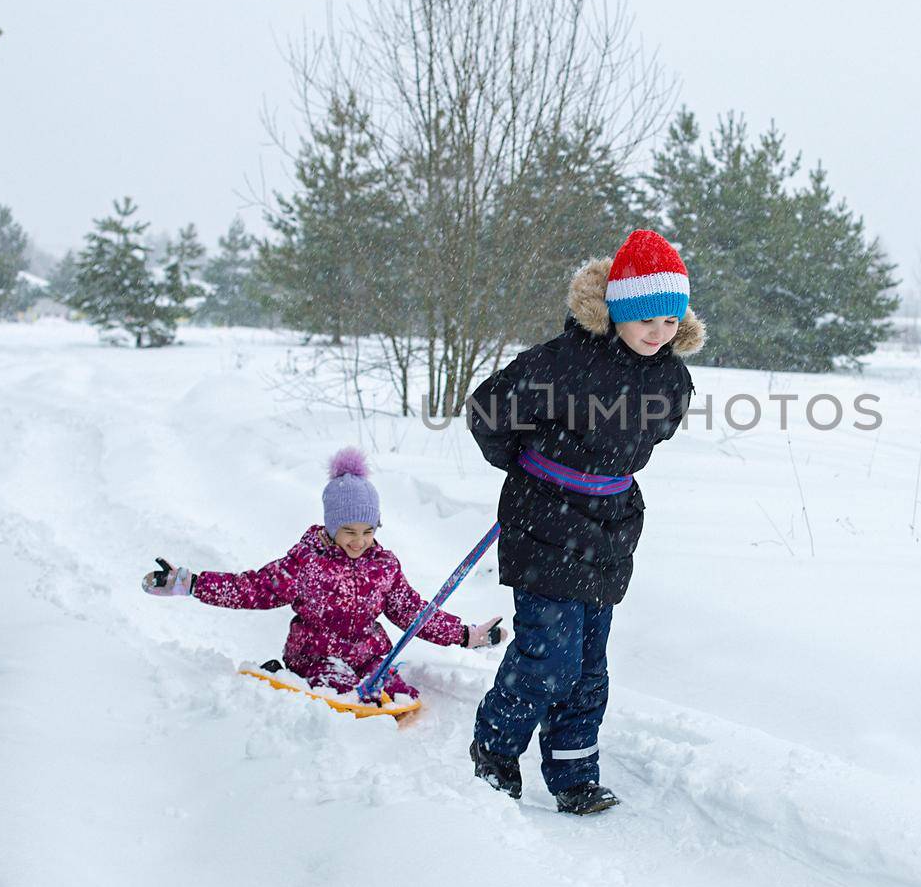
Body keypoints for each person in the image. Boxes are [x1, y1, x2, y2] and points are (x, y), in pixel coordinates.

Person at [466, 229, 705, 815]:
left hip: (610, 526)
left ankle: (574, 774)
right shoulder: (561, 361)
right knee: (551, 654)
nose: (658, 332)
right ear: (617, 309)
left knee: (589, 661)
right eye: (646, 317)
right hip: (543, 518)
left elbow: (659, 429)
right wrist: (527, 464)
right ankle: (495, 749)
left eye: (671, 319)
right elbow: (487, 411)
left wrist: (603, 472)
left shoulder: (670, 377)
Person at [141, 448, 505, 704]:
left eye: (368, 530)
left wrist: (464, 635)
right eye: (349, 531)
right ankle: (296, 684)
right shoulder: (306, 563)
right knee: (339, 689)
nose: (359, 541)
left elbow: (412, 612)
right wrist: (191, 583)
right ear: (331, 526)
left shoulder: (385, 566)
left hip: (367, 653)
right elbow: (252, 589)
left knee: (392, 692)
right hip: (315, 654)